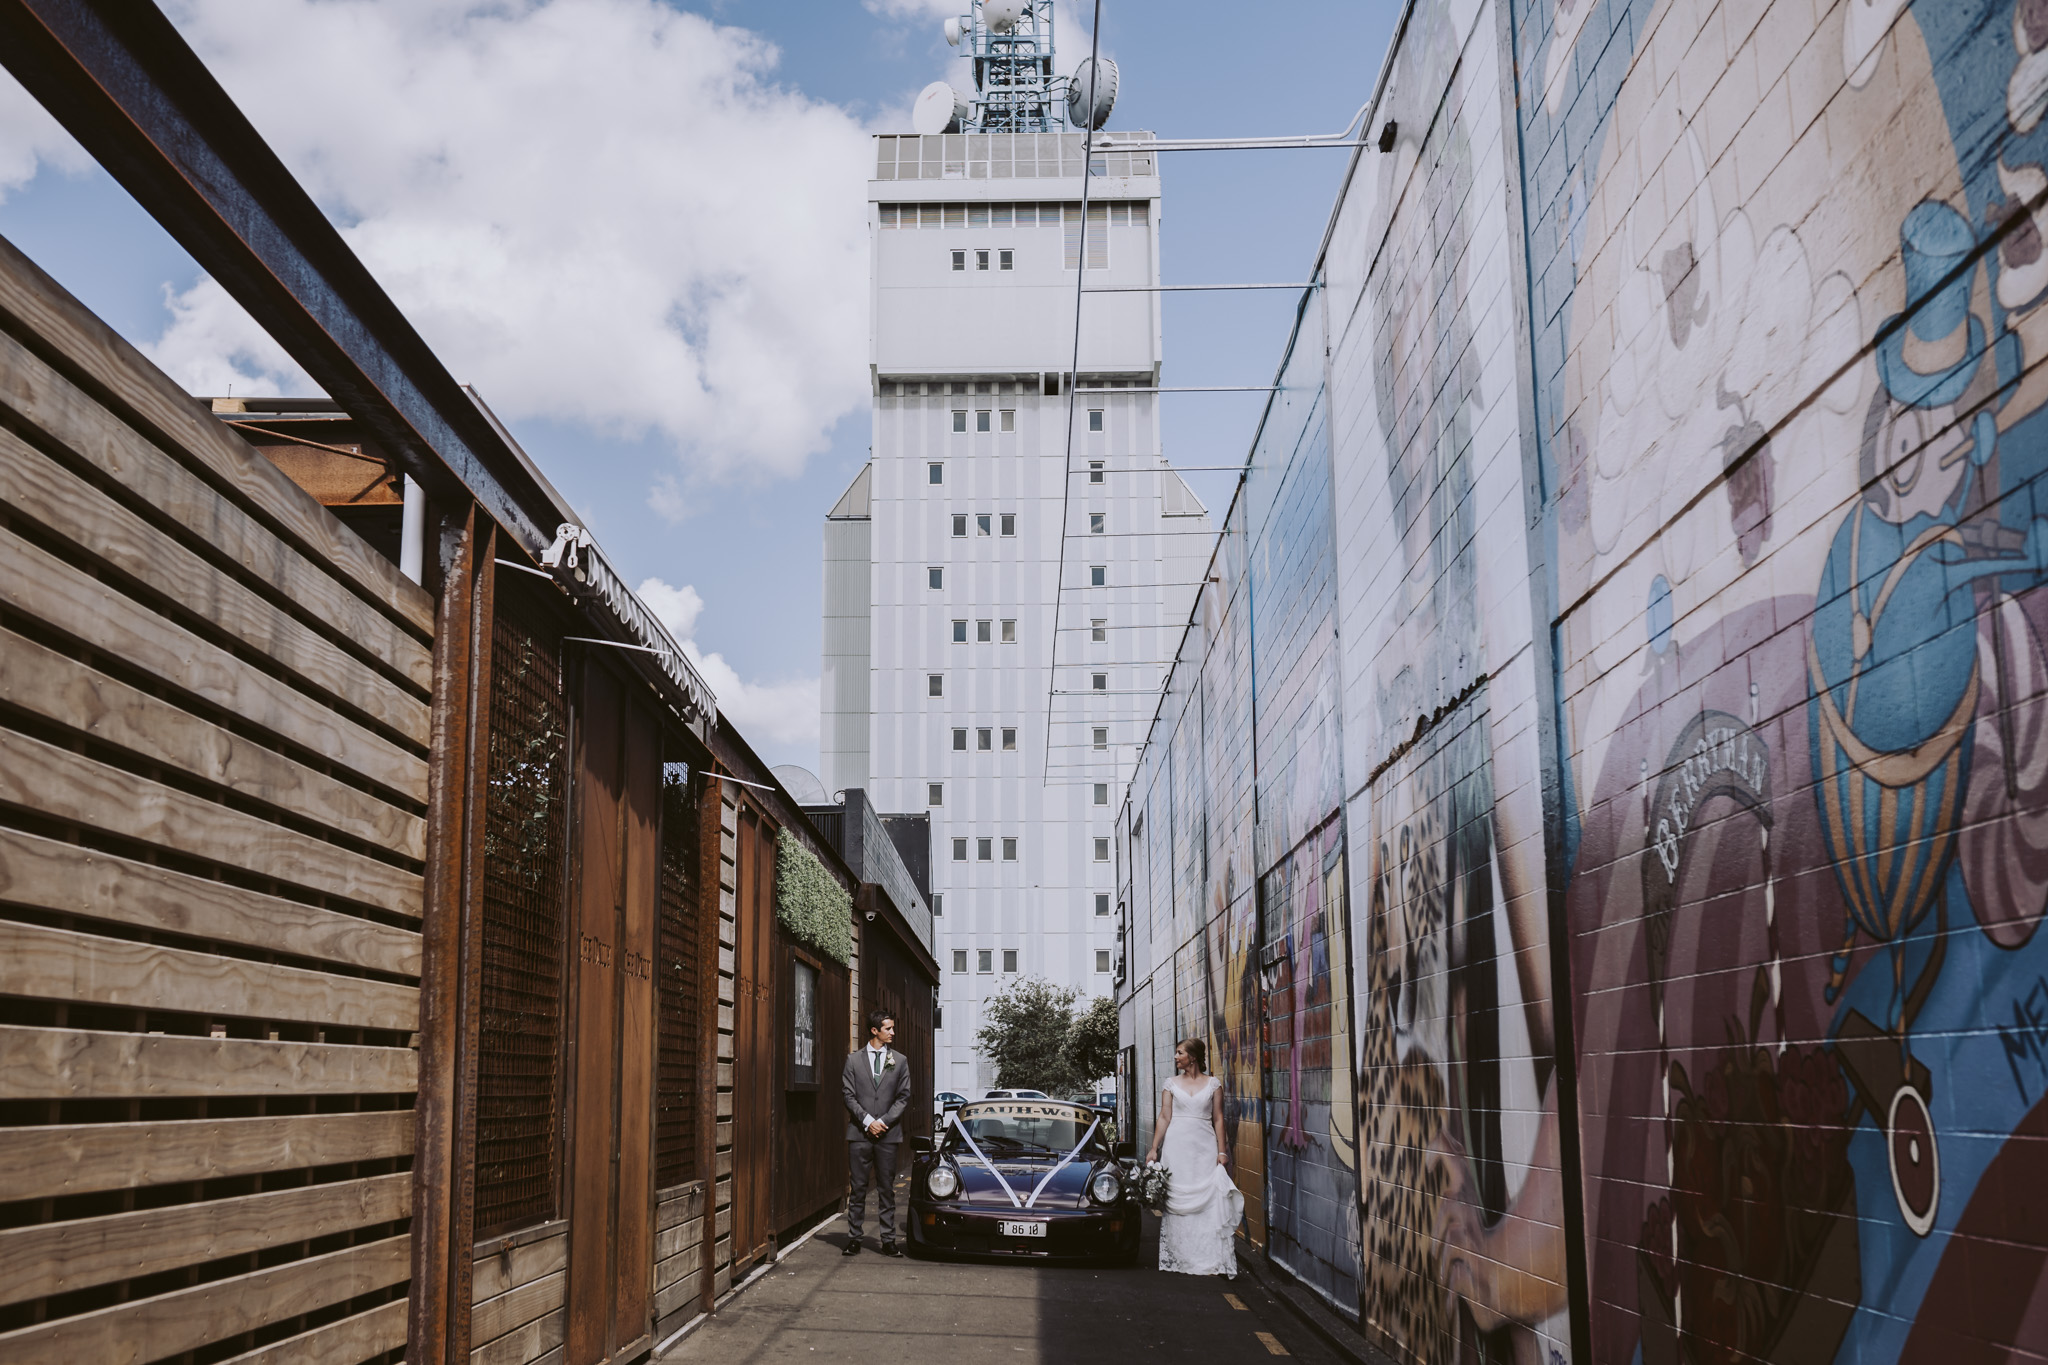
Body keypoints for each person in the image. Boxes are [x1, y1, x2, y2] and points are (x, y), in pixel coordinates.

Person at [1144, 1036, 1245, 1276]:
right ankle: (1180, 1256)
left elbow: (1218, 1118)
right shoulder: (1170, 1083)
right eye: (1176, 1053)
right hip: (1176, 1148)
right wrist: (1154, 1147)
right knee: (1178, 1199)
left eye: (1180, 1053)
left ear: (1193, 1057)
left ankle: (1209, 1257)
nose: (1176, 1057)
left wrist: (1222, 1151)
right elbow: (1164, 1117)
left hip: (1204, 1147)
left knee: (1209, 1200)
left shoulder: (1213, 1084)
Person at [842, 1010, 911, 1256]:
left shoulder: (900, 1061)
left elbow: (903, 1097)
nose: (893, 1033)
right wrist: (868, 1120)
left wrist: (882, 1121)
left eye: (892, 1028)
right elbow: (848, 1096)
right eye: (888, 1028)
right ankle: (854, 1238)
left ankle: (888, 1240)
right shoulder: (853, 1061)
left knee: (886, 1189)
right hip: (859, 1135)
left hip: (888, 1135)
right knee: (858, 1187)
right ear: (874, 1031)